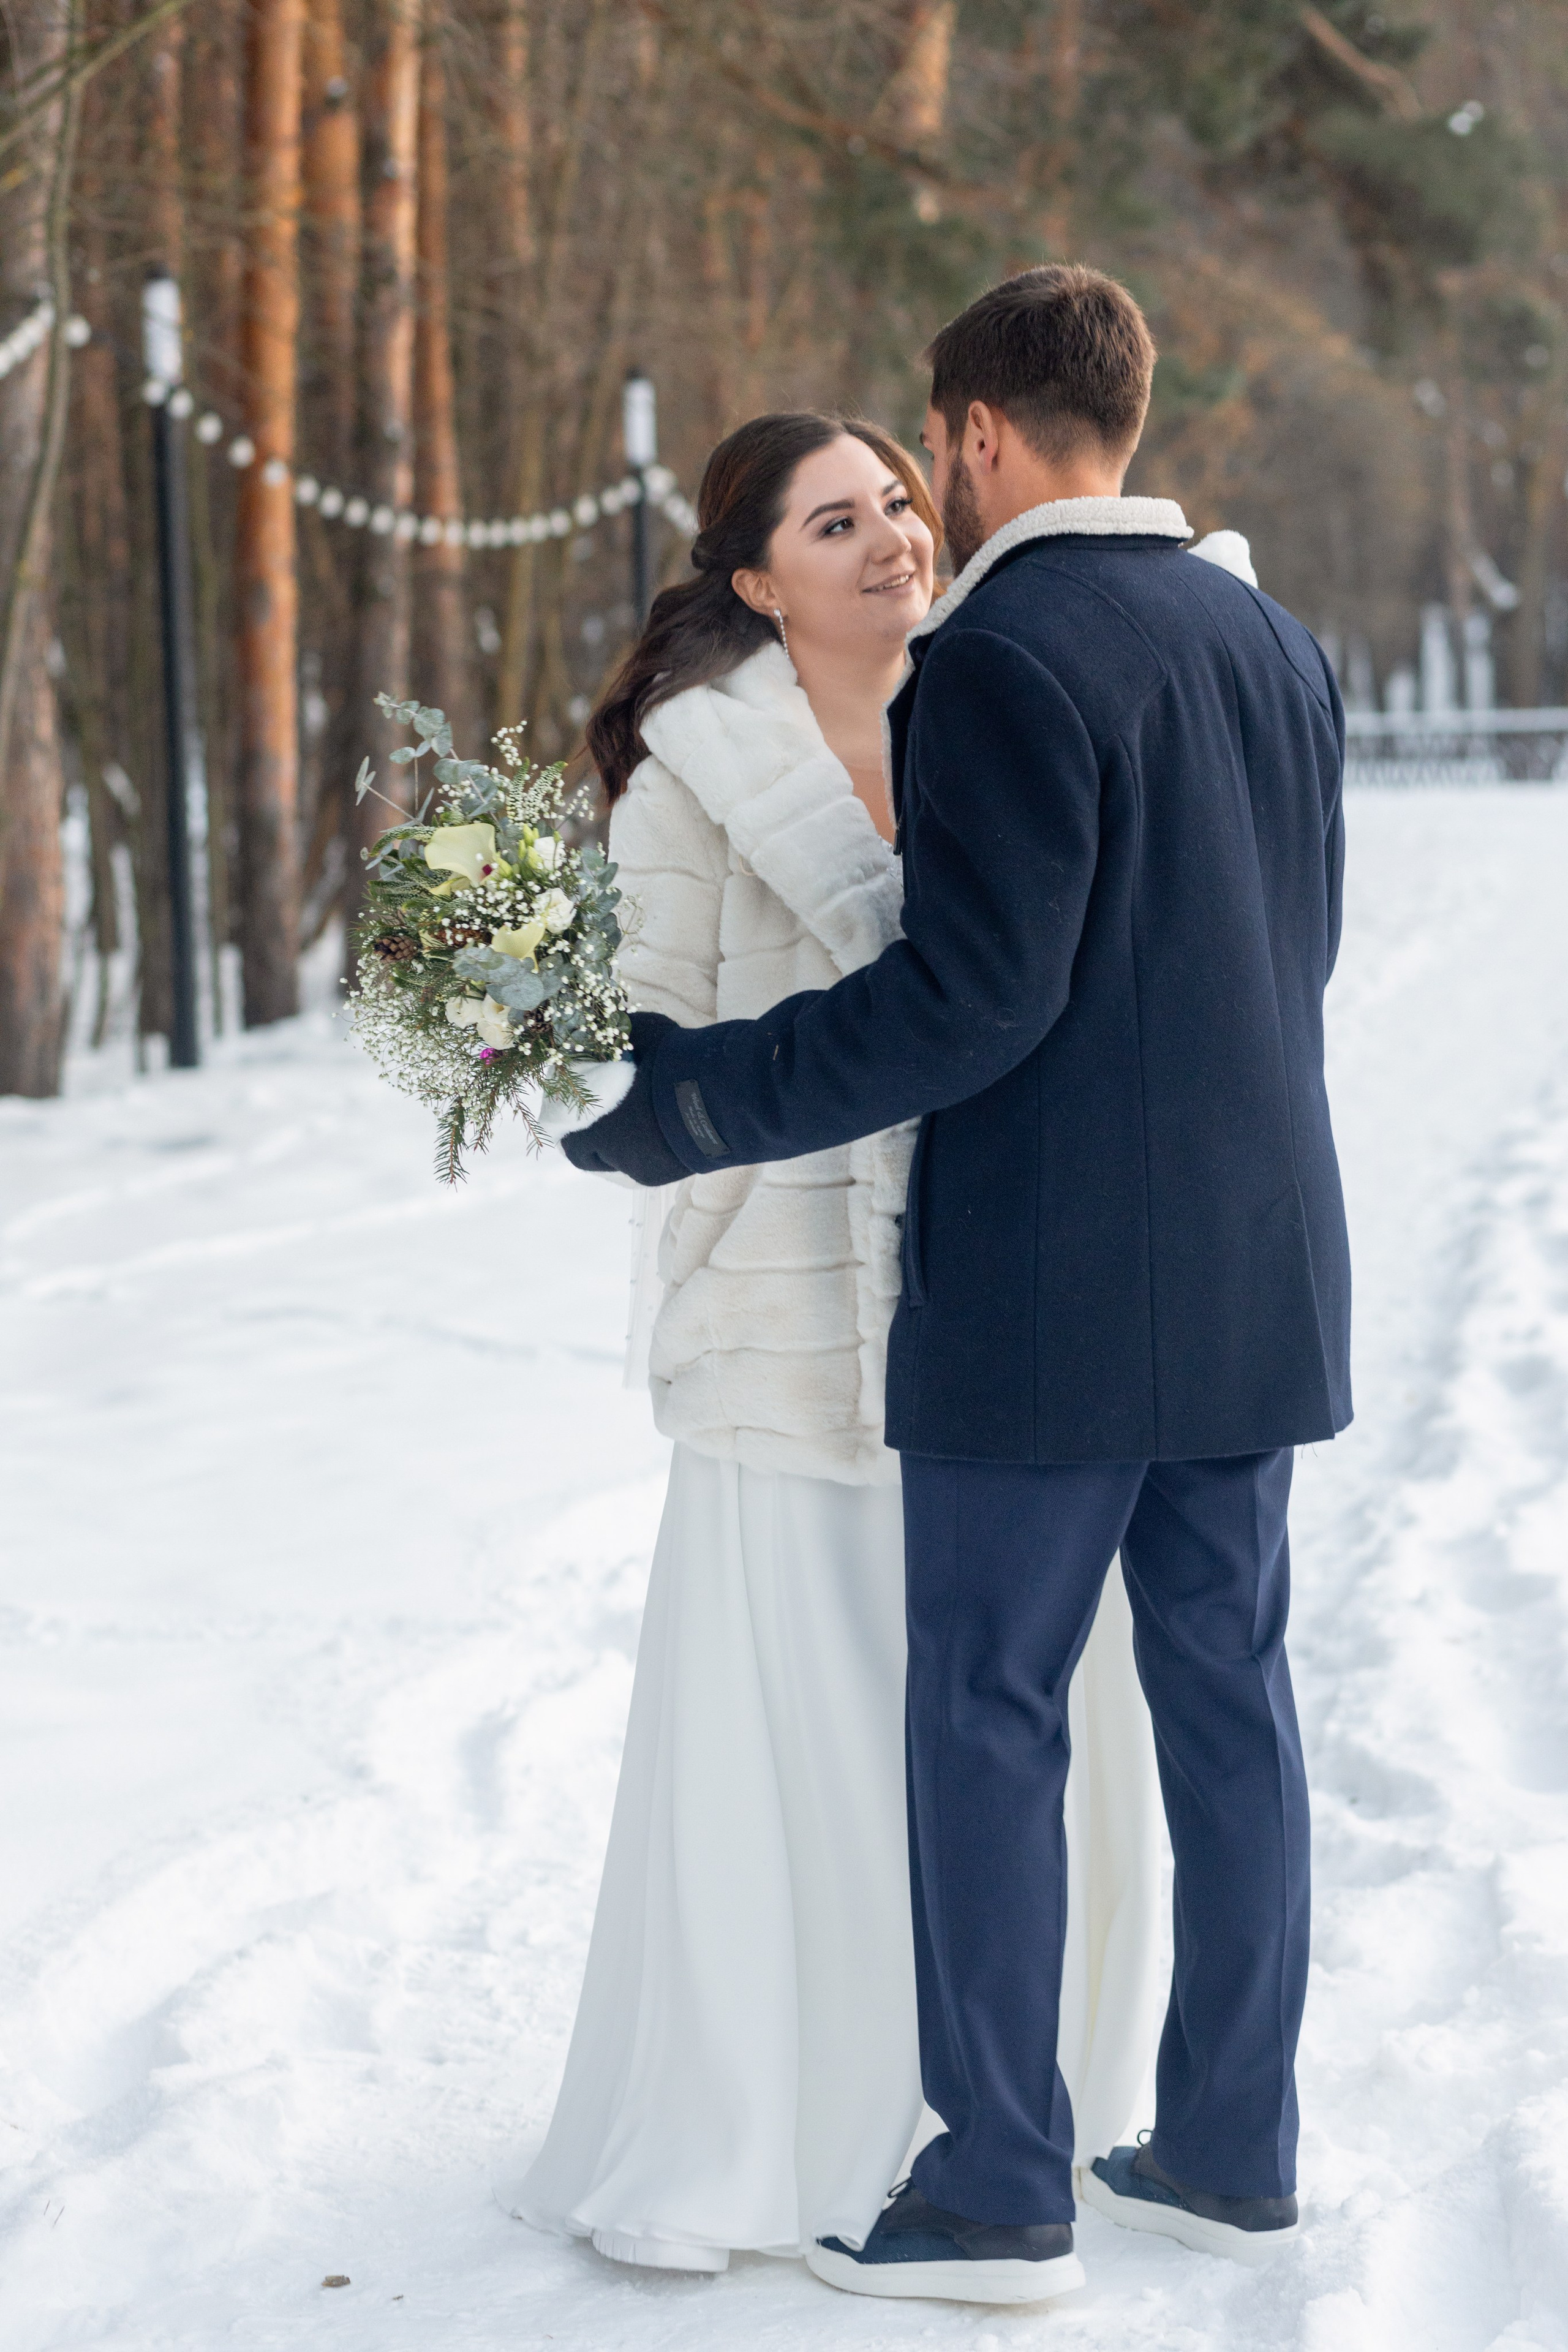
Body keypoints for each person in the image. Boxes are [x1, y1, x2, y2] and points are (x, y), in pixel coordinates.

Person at [564, 266, 1351, 2304]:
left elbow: (970, 1003)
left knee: (988, 1712)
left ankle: (1000, 2185)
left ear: (981, 435)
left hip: (1044, 1289)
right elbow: (1286, 955)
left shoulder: (1002, 655)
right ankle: (1235, 2141)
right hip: (1264, 1267)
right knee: (1231, 1706)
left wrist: (689, 1106)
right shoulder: (1273, 641)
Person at [516, 410, 1168, 2283]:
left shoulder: (1000, 702)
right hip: (790, 1314)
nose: (889, 540)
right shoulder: (690, 778)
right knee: (807, 1726)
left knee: (990, 1728)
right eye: (835, 521)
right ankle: (768, 2124)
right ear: (753, 578)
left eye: (897, 500)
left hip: (1009, 1305)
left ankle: (1003, 2105)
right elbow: (632, 1056)